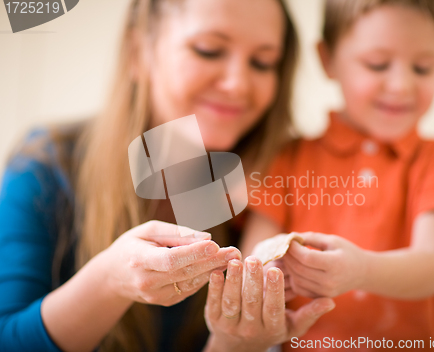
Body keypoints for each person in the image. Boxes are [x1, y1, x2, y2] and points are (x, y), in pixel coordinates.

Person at [0, 0, 323, 351]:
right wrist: (110, 280)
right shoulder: (48, 164)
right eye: (209, 51)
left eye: (262, 62)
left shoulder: (275, 184)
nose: (238, 84)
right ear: (138, 51)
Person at [241, 0, 434, 350]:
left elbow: (431, 267)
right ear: (327, 60)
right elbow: (255, 256)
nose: (401, 84)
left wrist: (360, 272)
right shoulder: (287, 159)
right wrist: (273, 273)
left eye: (423, 68)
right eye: (377, 64)